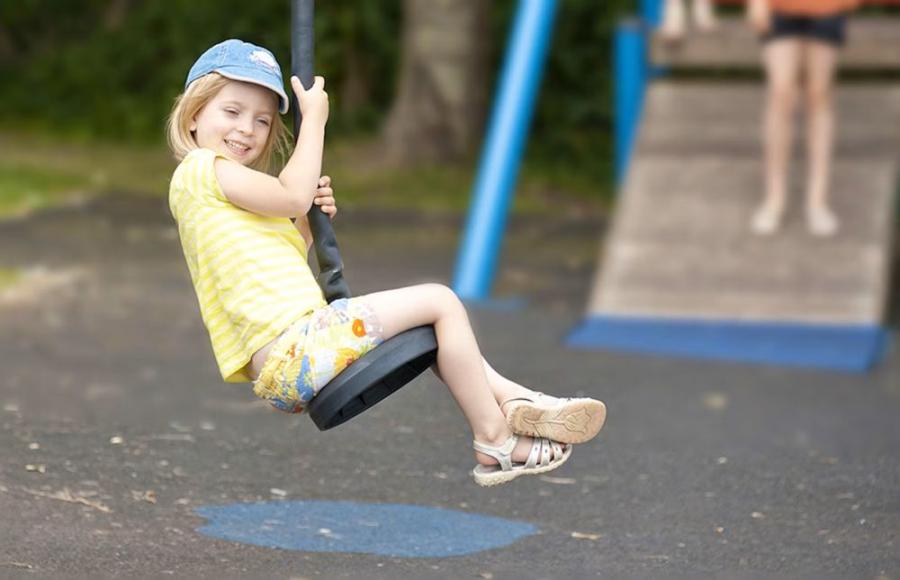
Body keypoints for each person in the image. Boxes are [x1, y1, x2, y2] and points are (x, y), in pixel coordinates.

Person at [165, 39, 607, 487]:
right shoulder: (201, 169)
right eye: (232, 112)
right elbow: (292, 192)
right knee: (441, 301)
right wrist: (314, 121)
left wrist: (303, 220)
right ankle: (494, 437)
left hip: (291, 356)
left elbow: (283, 257)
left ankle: (513, 401)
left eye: (262, 120)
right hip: (294, 349)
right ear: (195, 113)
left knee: (434, 329)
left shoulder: (230, 193)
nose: (248, 128)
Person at [747, 0, 859, 236]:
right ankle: (774, 199)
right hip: (777, 8)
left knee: (819, 94)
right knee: (781, 92)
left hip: (828, 7)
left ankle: (817, 201)